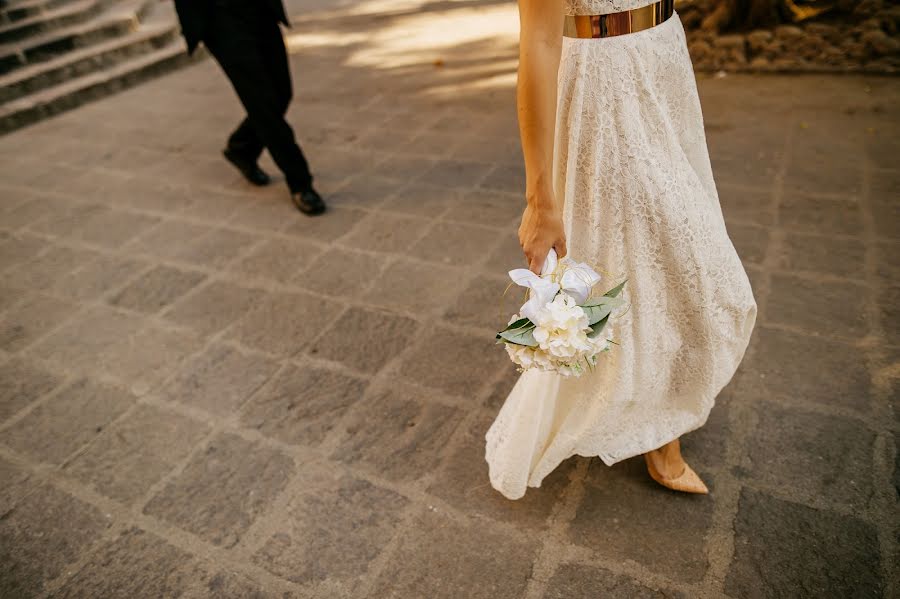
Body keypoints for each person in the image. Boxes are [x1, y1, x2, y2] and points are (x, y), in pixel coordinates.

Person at [485, 0, 757, 499]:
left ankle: (658, 413)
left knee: (666, 250)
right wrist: (540, 200)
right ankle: (659, 431)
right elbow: (539, 43)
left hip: (661, 58)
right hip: (605, 84)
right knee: (659, 250)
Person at [173, 0, 325, 216]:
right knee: (261, 101)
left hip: (259, 9)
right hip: (219, 19)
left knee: (281, 93)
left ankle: (242, 147)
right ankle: (300, 182)